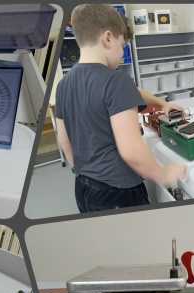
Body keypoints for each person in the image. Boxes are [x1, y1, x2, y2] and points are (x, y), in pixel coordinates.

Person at [55, 4, 186, 213]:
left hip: (83, 187)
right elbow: (132, 151)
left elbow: (63, 140)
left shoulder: (64, 84)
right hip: (117, 191)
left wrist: (162, 104)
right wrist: (164, 174)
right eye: (122, 44)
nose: (122, 51)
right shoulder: (115, 80)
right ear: (108, 38)